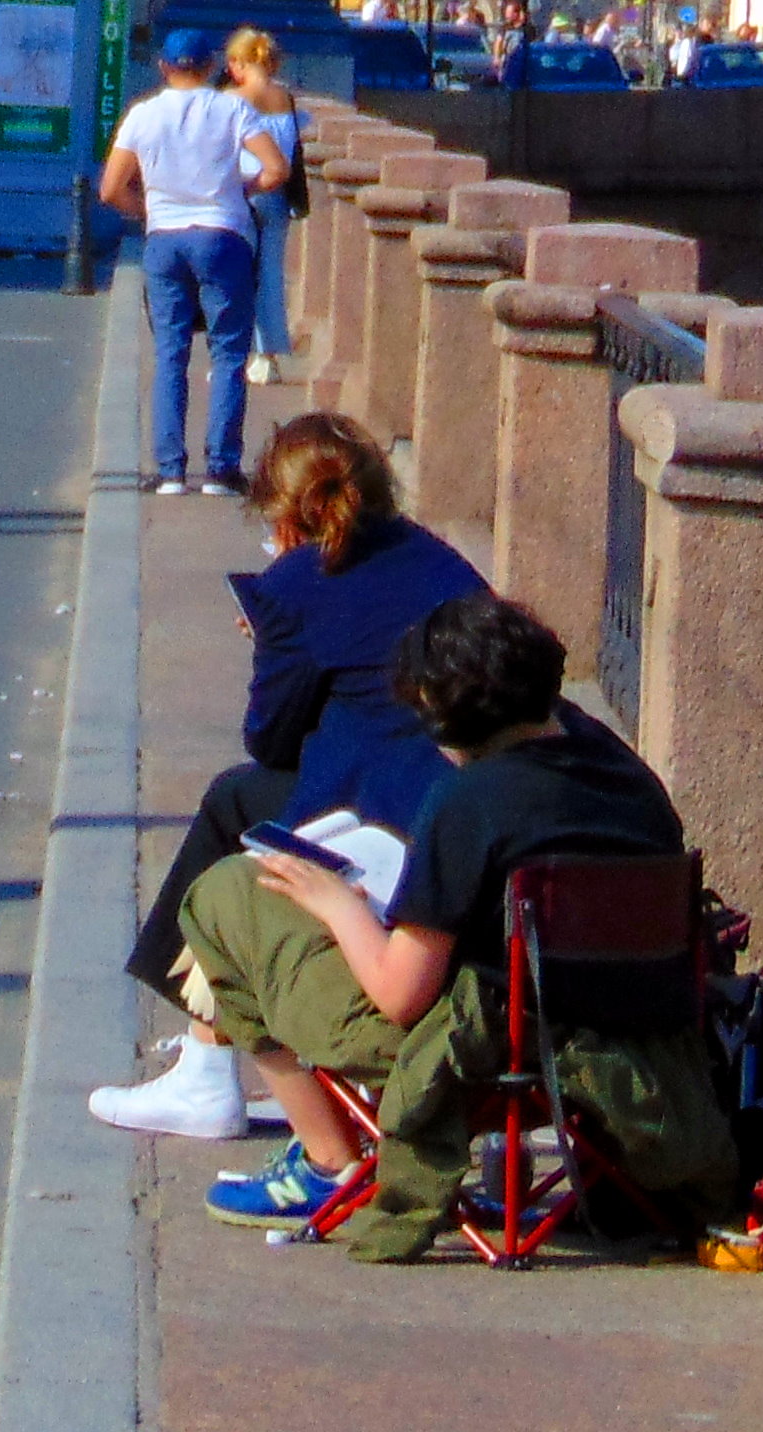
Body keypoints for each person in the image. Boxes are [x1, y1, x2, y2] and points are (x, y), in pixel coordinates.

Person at [168, 593, 731, 1257]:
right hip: (632, 1043)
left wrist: (339, 904)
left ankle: (328, 1163)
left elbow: (400, 997)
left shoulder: (473, 801)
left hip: (492, 1049)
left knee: (224, 897)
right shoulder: (632, 780)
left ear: (448, 724)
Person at [88, 412, 485, 1136]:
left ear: (284, 514)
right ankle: (207, 1062)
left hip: (383, 818)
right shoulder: (435, 554)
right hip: (463, 797)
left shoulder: (299, 580)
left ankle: (210, 1072)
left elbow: (269, 738)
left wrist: (271, 642)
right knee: (238, 798)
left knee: (237, 805)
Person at [100, 21, 285, 496]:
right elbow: (276, 169)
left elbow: (110, 189)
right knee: (227, 353)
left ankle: (170, 471)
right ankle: (221, 469)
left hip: (165, 238)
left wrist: (148, 212)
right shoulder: (229, 109)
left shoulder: (143, 115)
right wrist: (242, 190)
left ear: (163, 67)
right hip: (223, 235)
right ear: (210, 68)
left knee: (170, 353)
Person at [224, 25, 307, 384]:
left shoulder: (233, 98)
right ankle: (269, 356)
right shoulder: (285, 97)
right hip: (278, 194)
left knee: (237, 275)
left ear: (240, 63)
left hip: (244, 192)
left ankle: (238, 355)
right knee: (271, 274)